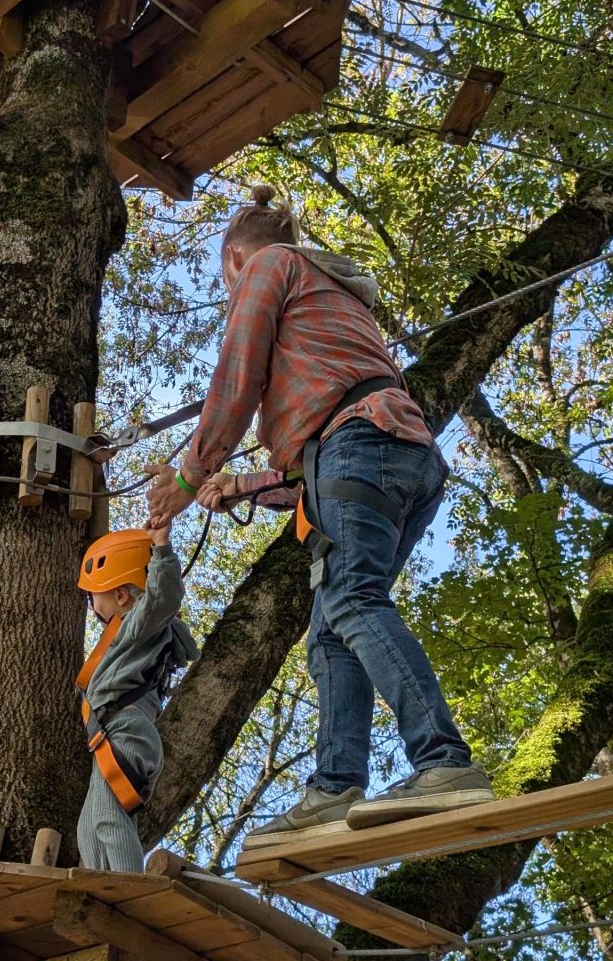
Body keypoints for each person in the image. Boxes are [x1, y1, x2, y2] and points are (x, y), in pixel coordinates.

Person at [146, 185, 493, 842]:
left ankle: (444, 763)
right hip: (398, 457)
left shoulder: (271, 265)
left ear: (235, 260)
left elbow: (237, 375)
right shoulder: (334, 301)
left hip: (361, 445)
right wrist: (243, 485)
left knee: (354, 602)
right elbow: (322, 451)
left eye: (227, 283)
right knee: (334, 627)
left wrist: (189, 478)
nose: (230, 297)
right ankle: (335, 787)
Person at [75, 525, 199, 870]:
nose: (91, 606)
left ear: (121, 596)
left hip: (127, 730)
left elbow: (163, 596)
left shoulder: (140, 625)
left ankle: (125, 890)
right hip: (111, 734)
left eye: (92, 596)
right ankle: (102, 885)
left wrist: (161, 549)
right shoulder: (127, 635)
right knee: (89, 828)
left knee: (107, 818)